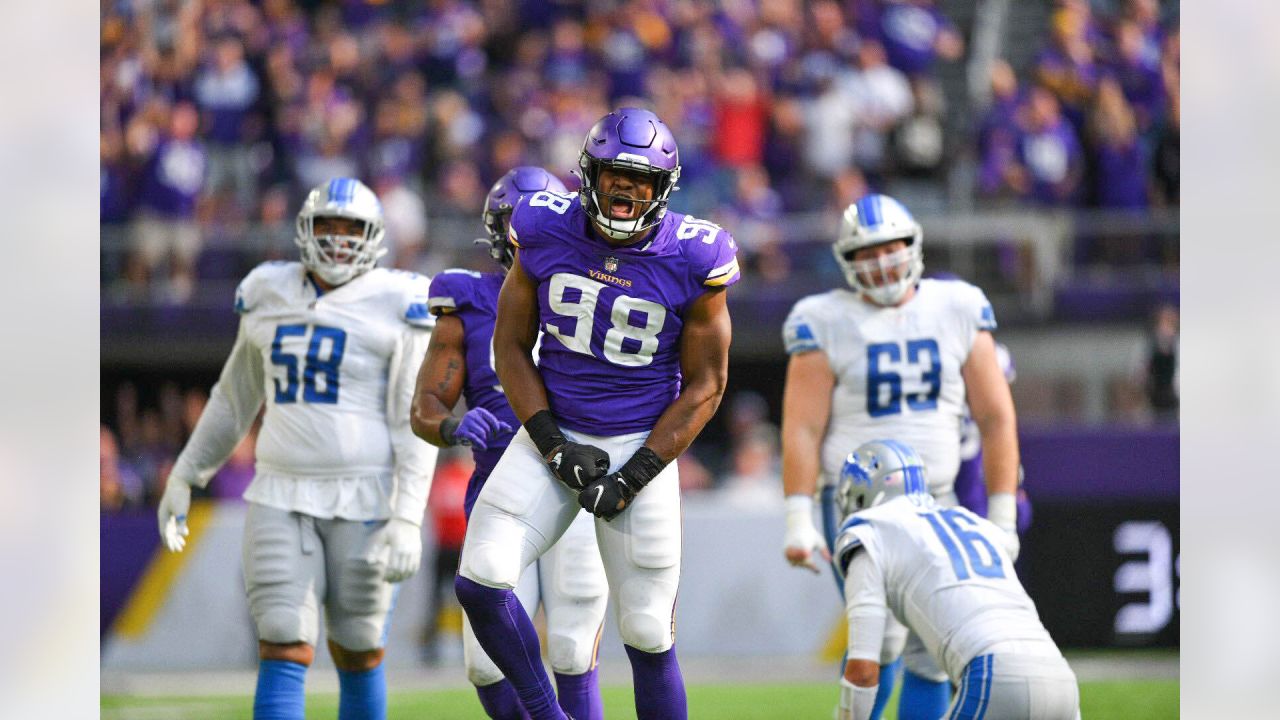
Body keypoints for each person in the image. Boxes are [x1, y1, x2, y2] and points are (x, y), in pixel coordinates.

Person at [453, 107, 739, 720]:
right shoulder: (543, 226)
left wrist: (634, 475)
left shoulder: (695, 255)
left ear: (663, 189)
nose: (625, 190)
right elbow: (510, 347)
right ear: (588, 172)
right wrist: (552, 443)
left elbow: (707, 387)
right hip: (550, 434)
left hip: (641, 444)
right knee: (479, 579)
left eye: (641, 180)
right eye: (614, 173)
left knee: (645, 632)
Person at [155, 177, 438, 720]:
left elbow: (415, 421)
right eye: (326, 225)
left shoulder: (398, 300)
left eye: (350, 228)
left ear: (375, 237)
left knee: (358, 646)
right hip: (280, 490)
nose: (337, 239)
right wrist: (185, 474)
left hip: (367, 495)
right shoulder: (268, 290)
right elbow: (234, 397)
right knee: (283, 638)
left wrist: (407, 517)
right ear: (304, 231)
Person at [780, 194, 1022, 720]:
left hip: (937, 499)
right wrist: (798, 517)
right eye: (866, 253)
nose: (881, 263)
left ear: (913, 246)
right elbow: (802, 426)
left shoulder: (956, 306)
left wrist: (1002, 517)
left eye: (889, 249)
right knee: (881, 643)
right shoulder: (823, 318)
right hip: (858, 506)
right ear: (847, 262)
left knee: (934, 653)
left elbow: (997, 417)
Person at [410, 166, 609, 720]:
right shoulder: (468, 299)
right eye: (517, 222)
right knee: (484, 664)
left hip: (577, 485)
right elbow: (424, 408)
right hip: (500, 489)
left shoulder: (597, 293)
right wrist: (452, 428)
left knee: (571, 649)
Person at [831, 439, 1079, 720]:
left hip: (995, 674)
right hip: (1061, 677)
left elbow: (862, 671)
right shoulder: (972, 522)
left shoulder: (870, 532)